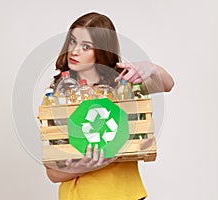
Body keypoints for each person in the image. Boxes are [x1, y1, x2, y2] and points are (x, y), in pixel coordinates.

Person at [45, 12, 174, 200]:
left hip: (125, 194)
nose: (74, 51)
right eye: (72, 41)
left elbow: (167, 84)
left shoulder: (122, 85)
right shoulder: (57, 97)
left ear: (102, 51)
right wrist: (84, 166)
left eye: (86, 46)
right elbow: (52, 174)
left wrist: (150, 67)